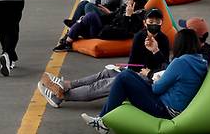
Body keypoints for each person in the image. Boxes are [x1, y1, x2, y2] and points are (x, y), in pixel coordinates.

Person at [81, 29, 208, 132]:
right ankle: (103, 118)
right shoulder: (200, 62)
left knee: (124, 77)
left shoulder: (181, 62)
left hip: (165, 109)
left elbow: (157, 89)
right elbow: (178, 77)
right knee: (129, 75)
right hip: (177, 109)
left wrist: (154, 80)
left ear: (179, 44)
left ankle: (103, 121)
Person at [39, 8, 170, 108]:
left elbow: (164, 68)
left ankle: (61, 96)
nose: (154, 24)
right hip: (136, 72)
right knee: (107, 72)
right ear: (145, 23)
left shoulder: (163, 40)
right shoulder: (139, 37)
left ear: (162, 23)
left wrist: (155, 51)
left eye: (157, 22)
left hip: (151, 78)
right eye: (151, 21)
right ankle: (66, 85)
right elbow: (133, 63)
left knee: (104, 84)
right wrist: (126, 69)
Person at [53, 0, 147, 52]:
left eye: (128, 0)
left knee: (91, 16)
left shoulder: (138, 17)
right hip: (104, 28)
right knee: (85, 9)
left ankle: (69, 38)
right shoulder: (124, 8)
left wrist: (128, 16)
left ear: (135, 3)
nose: (126, 2)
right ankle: (69, 38)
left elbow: (125, 32)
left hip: (104, 33)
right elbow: (111, 17)